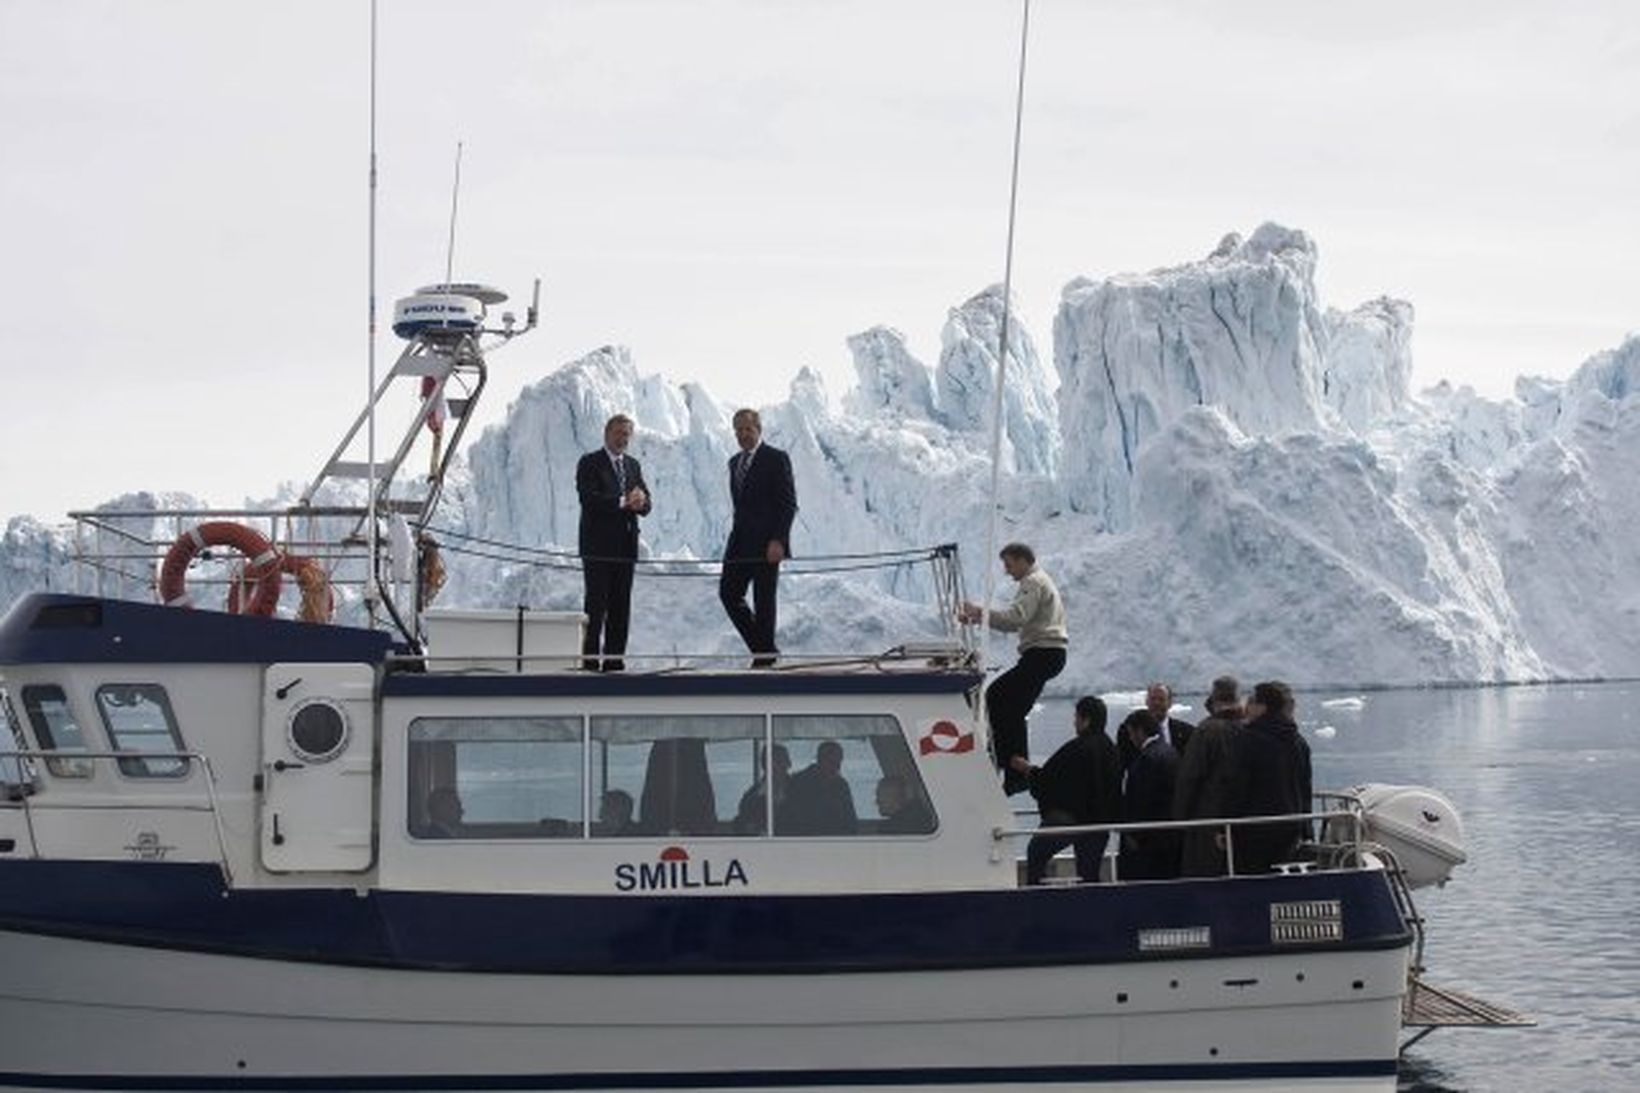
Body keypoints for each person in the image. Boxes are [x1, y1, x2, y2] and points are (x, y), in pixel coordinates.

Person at [958, 543, 1067, 794]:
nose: (1007, 571)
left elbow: (1016, 618)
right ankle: (1014, 768)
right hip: (1046, 654)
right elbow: (1013, 624)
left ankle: (1012, 768)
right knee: (1012, 706)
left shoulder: (1033, 582)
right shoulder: (1038, 581)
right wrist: (977, 618)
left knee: (997, 696)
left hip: (1042, 653)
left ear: (1022, 560)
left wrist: (979, 612)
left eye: (1008, 564)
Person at [1011, 694, 1122, 885]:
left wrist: (1028, 770)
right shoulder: (1110, 748)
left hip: (1071, 819)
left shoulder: (1077, 748)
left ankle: (1037, 893)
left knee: (1036, 852)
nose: (1074, 723)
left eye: (1076, 718)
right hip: (1099, 824)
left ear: (1086, 720)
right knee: (1089, 873)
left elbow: (1050, 779)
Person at [719, 408, 798, 668]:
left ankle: (763, 657)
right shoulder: (734, 463)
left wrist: (779, 540)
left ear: (758, 429)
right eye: (738, 430)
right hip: (739, 542)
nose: (743, 434)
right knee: (729, 593)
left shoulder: (775, 458)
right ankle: (764, 648)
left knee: (764, 600)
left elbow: (787, 503)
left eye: (747, 429)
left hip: (767, 543)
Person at [576, 414, 651, 671]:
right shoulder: (590, 463)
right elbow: (589, 499)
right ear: (607, 434)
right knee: (596, 606)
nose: (623, 439)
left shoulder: (632, 465)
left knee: (621, 606)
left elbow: (646, 502)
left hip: (625, 547)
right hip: (597, 548)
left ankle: (614, 661)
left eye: (627, 434)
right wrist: (623, 502)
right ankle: (589, 662)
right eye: (619, 433)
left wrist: (642, 503)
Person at [1230, 680, 1313, 875]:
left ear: (1262, 706)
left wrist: (1227, 824)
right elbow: (1304, 786)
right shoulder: (1297, 741)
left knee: (1253, 879)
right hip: (1292, 825)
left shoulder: (1248, 739)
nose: (1246, 707)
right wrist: (1306, 827)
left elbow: (1238, 785)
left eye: (1251, 702)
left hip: (1255, 828)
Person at [1173, 675, 1247, 877]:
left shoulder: (1207, 731)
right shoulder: (1249, 728)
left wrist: (1180, 818)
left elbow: (1190, 777)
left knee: (1205, 876)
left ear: (1214, 698)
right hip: (1246, 821)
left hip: (1207, 821)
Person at [1117, 710, 1181, 880]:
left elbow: (1142, 800)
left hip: (1149, 841)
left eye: (1131, 733)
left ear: (1139, 731)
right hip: (1168, 835)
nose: (1130, 739)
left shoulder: (1146, 759)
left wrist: (1134, 834)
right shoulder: (1170, 752)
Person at [778, 740, 857, 835]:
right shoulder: (798, 783)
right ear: (820, 759)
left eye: (839, 762)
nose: (837, 767)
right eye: (831, 762)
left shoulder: (841, 785)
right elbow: (788, 818)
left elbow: (850, 820)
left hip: (835, 841)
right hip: (804, 840)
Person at [1120, 682, 1195, 769]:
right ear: (1146, 702)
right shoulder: (1128, 731)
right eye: (1153, 699)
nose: (1156, 703)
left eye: (1161, 699)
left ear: (1170, 703)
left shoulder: (1187, 732)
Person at [734, 743, 792, 834]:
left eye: (786, 761)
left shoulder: (799, 791)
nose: (787, 765)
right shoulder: (751, 797)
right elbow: (741, 824)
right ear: (765, 765)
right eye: (779, 761)